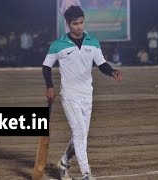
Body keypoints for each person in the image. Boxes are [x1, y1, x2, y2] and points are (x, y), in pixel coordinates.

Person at [42, 5, 122, 180]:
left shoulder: (93, 42)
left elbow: (101, 64)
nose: (79, 26)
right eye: (75, 23)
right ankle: (87, 174)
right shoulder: (58, 45)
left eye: (81, 22)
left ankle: (63, 163)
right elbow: (46, 67)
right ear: (68, 24)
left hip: (87, 95)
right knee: (79, 134)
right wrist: (49, 86)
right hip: (69, 96)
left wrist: (112, 71)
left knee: (81, 136)